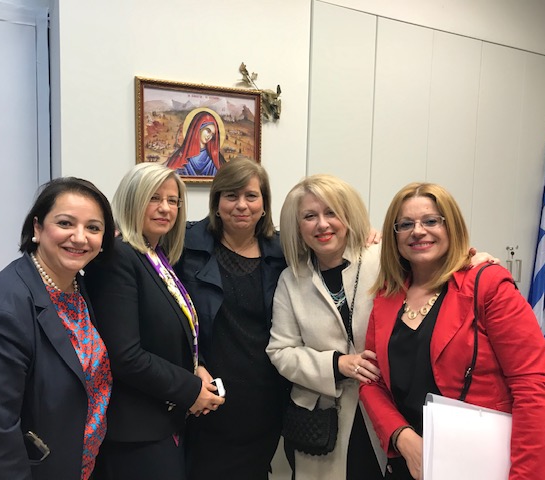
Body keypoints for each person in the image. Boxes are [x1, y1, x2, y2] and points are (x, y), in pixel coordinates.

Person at [359, 182, 545, 480]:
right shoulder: (387, 296)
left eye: (431, 220)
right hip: (409, 464)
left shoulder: (488, 285)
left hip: (482, 464)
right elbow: (372, 381)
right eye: (405, 224)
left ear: (451, 226)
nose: (418, 231)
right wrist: (403, 438)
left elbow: (532, 386)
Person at [0, 177, 116, 480]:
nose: (80, 237)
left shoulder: (75, 289)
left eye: (93, 228)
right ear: (37, 228)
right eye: (65, 223)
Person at [84, 163, 225, 480]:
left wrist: (197, 366)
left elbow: (168, 331)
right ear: (132, 200)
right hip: (135, 433)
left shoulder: (154, 254)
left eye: (173, 200)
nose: (166, 208)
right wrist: (190, 389)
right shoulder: (118, 257)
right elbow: (125, 356)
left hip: (161, 421)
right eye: (154, 198)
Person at [175, 157, 290, 480]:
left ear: (264, 204)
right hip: (207, 397)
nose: (241, 205)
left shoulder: (283, 252)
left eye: (251, 196)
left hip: (264, 399)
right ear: (217, 202)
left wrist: (368, 237)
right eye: (231, 195)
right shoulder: (184, 243)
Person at [267, 174, 387, 480]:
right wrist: (337, 364)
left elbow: (438, 264)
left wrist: (477, 258)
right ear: (297, 226)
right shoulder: (291, 280)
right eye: (310, 216)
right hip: (323, 418)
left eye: (331, 212)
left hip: (383, 408)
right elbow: (280, 351)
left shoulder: (382, 259)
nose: (322, 225)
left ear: (347, 215)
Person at [166, 110, 224, 176]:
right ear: (199, 128)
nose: (209, 136)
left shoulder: (213, 159)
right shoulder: (181, 156)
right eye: (208, 131)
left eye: (212, 134)